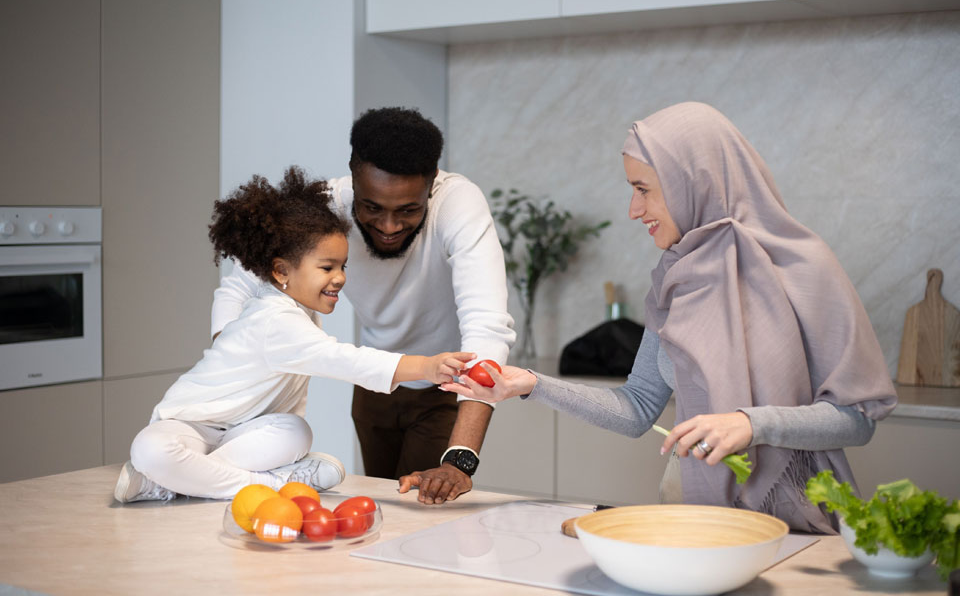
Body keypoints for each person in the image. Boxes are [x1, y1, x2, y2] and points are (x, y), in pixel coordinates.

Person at [443, 102, 898, 532]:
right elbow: (637, 407)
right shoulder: (674, 278)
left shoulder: (804, 267)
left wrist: (751, 424)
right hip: (695, 514)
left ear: (692, 183)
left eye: (643, 190)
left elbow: (858, 419)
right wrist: (531, 384)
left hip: (794, 520)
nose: (633, 210)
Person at [114, 167, 473, 503]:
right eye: (327, 267)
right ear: (282, 270)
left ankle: (170, 484)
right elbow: (343, 360)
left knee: (294, 432)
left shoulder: (297, 312)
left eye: (342, 266)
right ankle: (273, 485)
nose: (340, 278)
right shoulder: (274, 320)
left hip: (243, 433)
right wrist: (425, 366)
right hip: (193, 427)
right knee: (150, 449)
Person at [211, 108, 515, 504]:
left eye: (408, 210)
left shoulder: (458, 203)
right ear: (352, 176)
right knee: (385, 506)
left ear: (431, 185)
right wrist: (224, 368)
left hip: (447, 386)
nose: (389, 227)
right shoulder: (327, 204)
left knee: (419, 512)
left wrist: (460, 460)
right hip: (374, 385)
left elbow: (487, 326)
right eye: (372, 208)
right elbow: (240, 283)